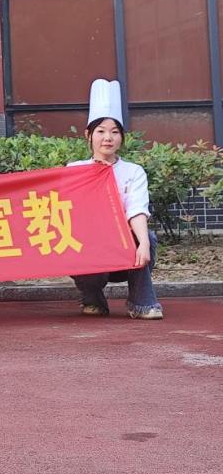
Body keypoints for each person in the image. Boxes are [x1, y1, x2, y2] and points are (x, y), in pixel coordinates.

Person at [69, 80, 162, 320]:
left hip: (123, 251)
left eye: (114, 132)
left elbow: (136, 210)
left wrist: (143, 243)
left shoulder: (133, 171)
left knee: (149, 238)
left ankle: (141, 302)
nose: (107, 138)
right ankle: (92, 297)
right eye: (101, 131)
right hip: (91, 251)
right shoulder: (74, 170)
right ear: (88, 135)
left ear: (122, 137)